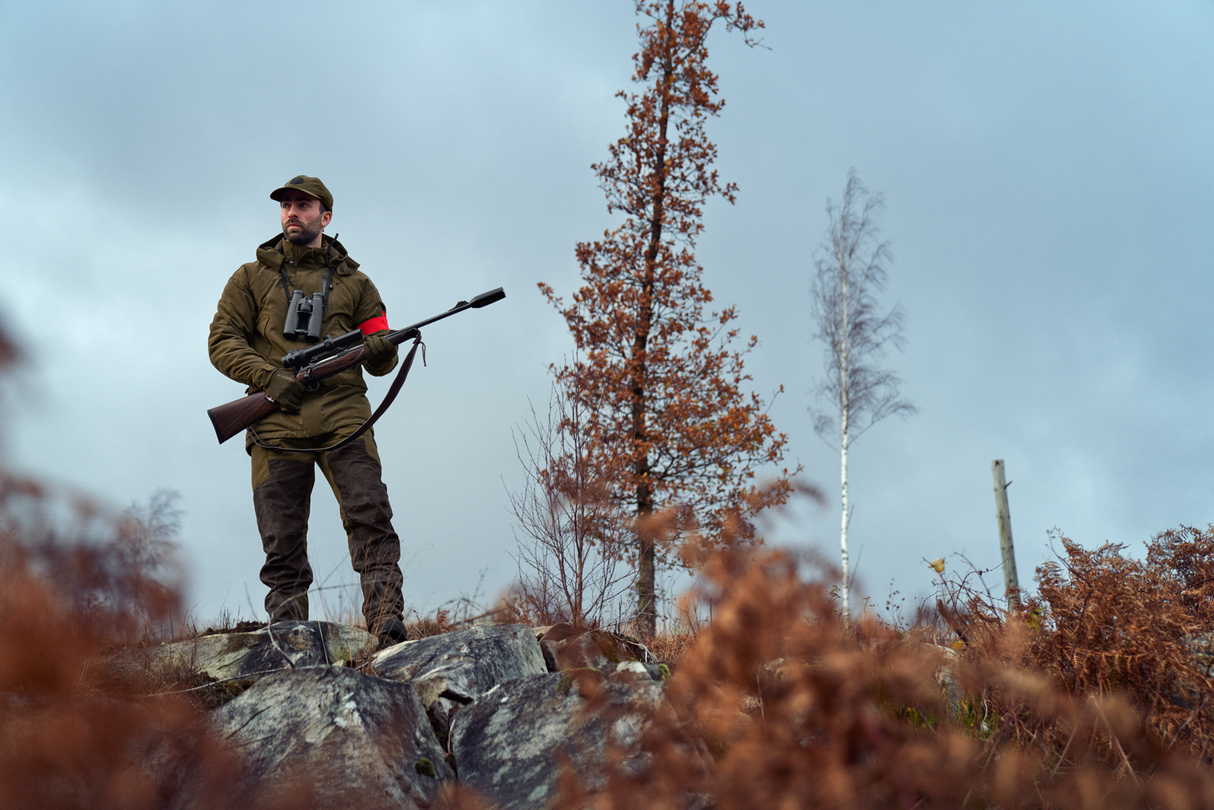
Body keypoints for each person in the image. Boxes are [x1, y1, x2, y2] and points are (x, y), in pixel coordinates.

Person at [208, 175, 408, 646]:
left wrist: (381, 348)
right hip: (274, 422)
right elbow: (221, 342)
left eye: (303, 205)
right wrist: (269, 376)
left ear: (326, 217)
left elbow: (382, 357)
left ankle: (386, 627)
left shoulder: (358, 283)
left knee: (370, 516)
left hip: (344, 419)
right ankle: (289, 635)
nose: (292, 213)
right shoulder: (249, 278)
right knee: (281, 540)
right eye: (286, 206)